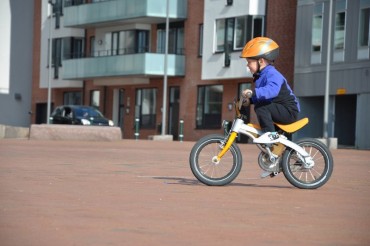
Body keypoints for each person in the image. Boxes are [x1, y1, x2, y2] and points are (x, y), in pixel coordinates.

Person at [240, 37, 300, 144]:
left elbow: (271, 91)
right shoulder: (260, 76)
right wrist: (251, 101)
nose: (247, 65)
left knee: (262, 106)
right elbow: (264, 96)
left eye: (249, 62)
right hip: (280, 109)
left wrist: (252, 93)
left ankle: (270, 135)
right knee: (283, 145)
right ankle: (286, 154)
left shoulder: (272, 74)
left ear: (261, 61)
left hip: (289, 111)